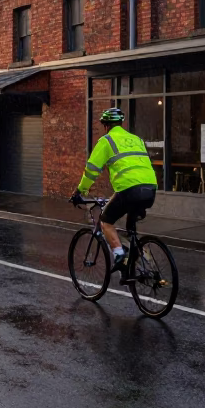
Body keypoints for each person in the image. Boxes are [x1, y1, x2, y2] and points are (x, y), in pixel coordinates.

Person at [70, 107, 158, 283]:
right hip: (150, 189)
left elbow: (92, 170)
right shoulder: (137, 139)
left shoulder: (107, 140)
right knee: (130, 229)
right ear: (120, 123)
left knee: (106, 221)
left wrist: (80, 191)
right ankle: (132, 267)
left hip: (129, 190)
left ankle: (119, 255)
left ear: (105, 126)